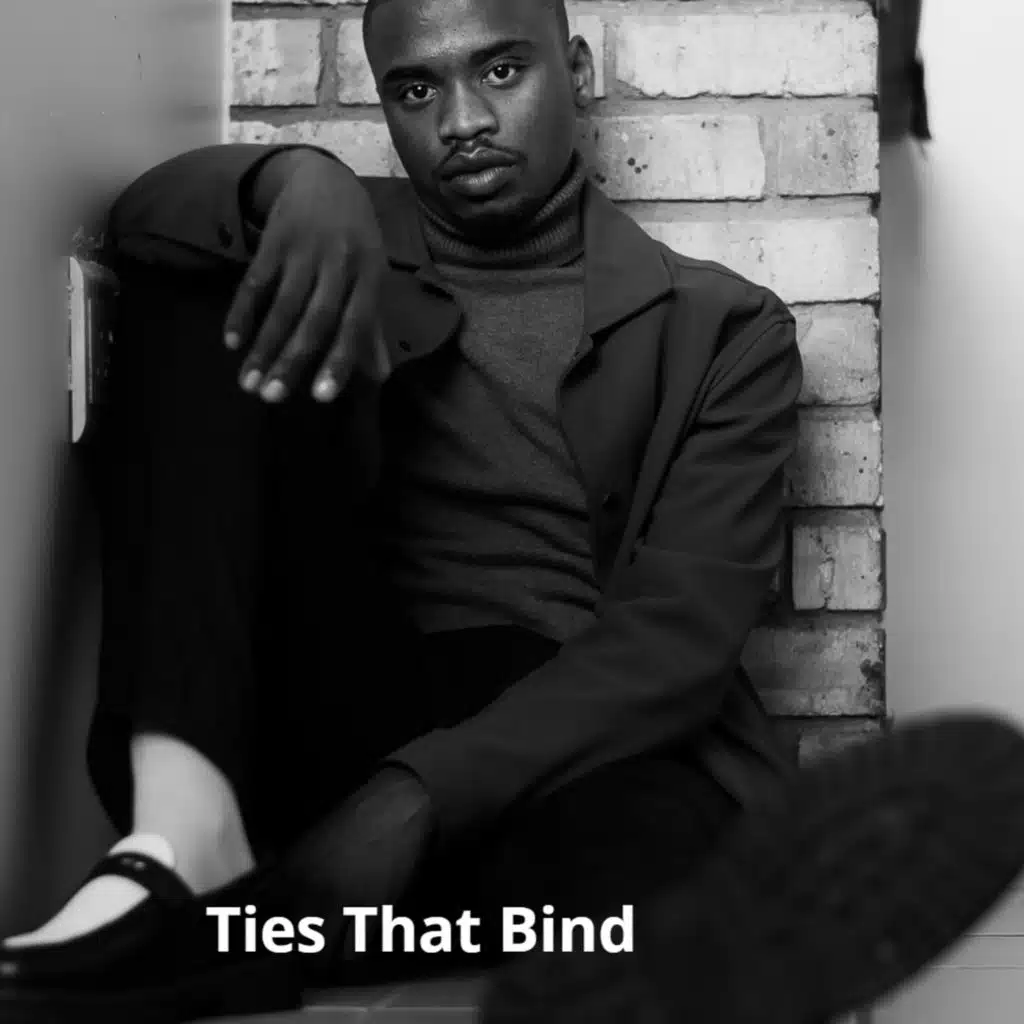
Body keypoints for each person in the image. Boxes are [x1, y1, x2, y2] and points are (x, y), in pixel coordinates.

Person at [3, 0, 1024, 1021]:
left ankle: (280, 928)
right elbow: (143, 220)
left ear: (574, 71)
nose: (462, 121)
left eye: (501, 71)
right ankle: (186, 837)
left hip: (570, 736)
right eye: (416, 88)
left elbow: (677, 637)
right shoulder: (327, 237)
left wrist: (417, 795)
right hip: (349, 693)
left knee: (661, 899)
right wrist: (293, 178)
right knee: (203, 274)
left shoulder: (722, 327)